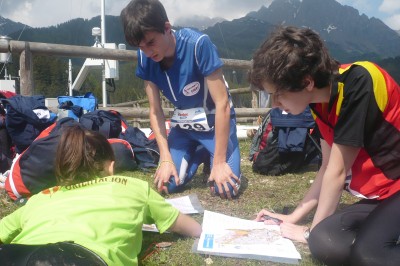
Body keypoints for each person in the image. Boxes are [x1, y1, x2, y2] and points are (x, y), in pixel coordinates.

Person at [249, 26, 400, 266]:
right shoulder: (317, 103)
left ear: (306, 81)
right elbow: (326, 166)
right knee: (327, 242)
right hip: (380, 196)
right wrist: (294, 217)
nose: (275, 104)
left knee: (369, 255)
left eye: (278, 94)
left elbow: (338, 173)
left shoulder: (359, 81)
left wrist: (312, 232)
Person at [0, 125, 202, 265]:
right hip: (78, 258)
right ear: (111, 167)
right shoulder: (133, 187)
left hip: (15, 255)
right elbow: (186, 226)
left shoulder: (40, 197)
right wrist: (201, 229)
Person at [120, 0, 241, 199]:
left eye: (151, 43)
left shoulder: (198, 45)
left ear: (167, 28)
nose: (148, 53)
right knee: (166, 186)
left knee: (225, 189)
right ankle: (201, 152)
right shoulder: (145, 58)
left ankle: (213, 153)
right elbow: (155, 110)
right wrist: (165, 158)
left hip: (214, 124)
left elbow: (222, 104)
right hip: (184, 126)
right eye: (140, 47)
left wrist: (219, 162)